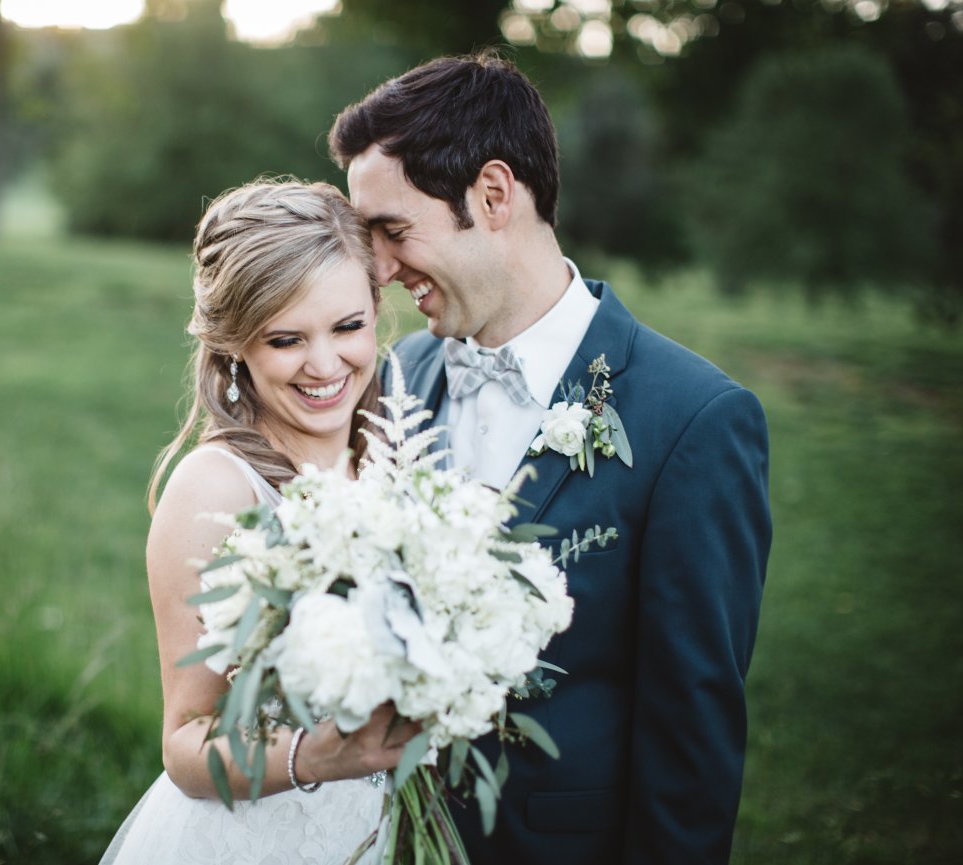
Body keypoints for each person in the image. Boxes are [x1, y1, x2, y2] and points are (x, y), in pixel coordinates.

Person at [330, 54, 773, 864]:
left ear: (493, 195)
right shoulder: (398, 378)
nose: (380, 271)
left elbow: (691, 732)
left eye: (393, 230)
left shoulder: (694, 421)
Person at [97, 180, 408, 865]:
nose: (325, 364)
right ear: (236, 343)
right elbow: (185, 741)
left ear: (376, 309)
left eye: (347, 326)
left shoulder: (393, 454)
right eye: (286, 338)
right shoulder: (213, 488)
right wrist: (316, 755)